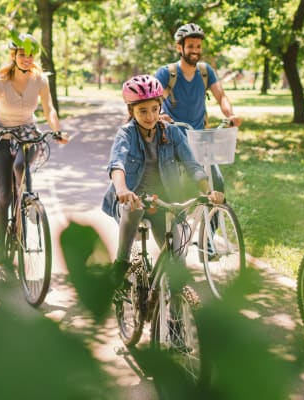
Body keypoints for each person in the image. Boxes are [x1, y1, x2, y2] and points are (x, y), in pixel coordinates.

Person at [102, 75, 225, 277]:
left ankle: (173, 303)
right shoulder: (126, 134)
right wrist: (122, 190)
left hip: (164, 201)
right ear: (131, 110)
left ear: (160, 107)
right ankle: (121, 262)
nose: (150, 116)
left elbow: (192, 164)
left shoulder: (172, 133)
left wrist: (208, 191)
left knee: (177, 263)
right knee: (133, 207)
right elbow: (117, 164)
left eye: (154, 109)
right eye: (142, 111)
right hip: (135, 198)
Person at [0, 33, 67, 265]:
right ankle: (0, 248)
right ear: (13, 56)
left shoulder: (40, 80)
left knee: (20, 165)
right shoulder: (0, 82)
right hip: (1, 135)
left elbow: (49, 109)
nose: (27, 59)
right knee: (4, 196)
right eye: (22, 54)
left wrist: (57, 130)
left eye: (30, 55)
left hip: (28, 132)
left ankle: (27, 201)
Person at [155, 22, 242, 194]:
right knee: (175, 189)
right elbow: (155, 102)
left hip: (200, 138)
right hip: (174, 139)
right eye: (190, 46)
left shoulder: (205, 71)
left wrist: (231, 115)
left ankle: (214, 220)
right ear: (179, 48)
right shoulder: (168, 73)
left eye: (198, 46)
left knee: (216, 184)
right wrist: (161, 114)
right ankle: (175, 219)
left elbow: (221, 96)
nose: (195, 50)